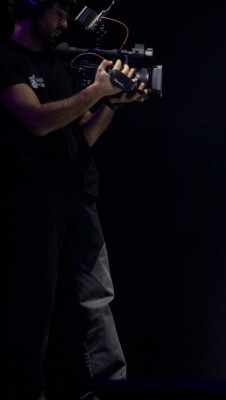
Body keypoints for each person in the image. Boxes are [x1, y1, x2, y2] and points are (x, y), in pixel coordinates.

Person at [0, 1, 147, 399]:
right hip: (34, 199)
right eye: (60, 13)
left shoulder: (57, 63)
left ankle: (109, 392)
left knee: (97, 300)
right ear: (30, 6)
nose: (65, 23)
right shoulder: (6, 60)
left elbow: (81, 136)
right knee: (34, 305)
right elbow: (37, 120)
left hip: (79, 192)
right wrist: (96, 90)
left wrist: (110, 103)